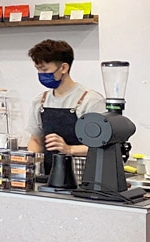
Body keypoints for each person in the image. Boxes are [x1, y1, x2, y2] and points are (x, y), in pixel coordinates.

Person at [25, 40, 106, 171]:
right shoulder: (40, 101)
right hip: (48, 175)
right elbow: (36, 140)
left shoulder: (90, 100)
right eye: (38, 69)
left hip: (83, 177)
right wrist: (32, 164)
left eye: (44, 69)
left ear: (63, 68)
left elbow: (103, 146)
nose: (41, 74)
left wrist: (69, 149)